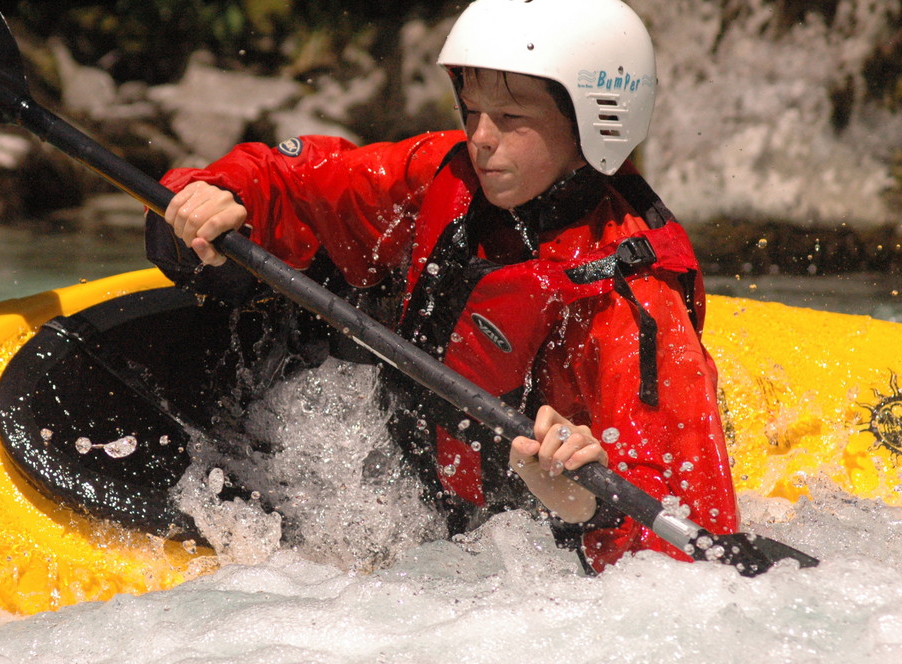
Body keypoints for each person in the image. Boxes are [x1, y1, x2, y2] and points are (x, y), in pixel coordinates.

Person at [145, 0, 739, 573]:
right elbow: (303, 181)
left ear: (595, 122)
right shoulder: (446, 176)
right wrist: (218, 192)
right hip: (408, 491)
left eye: (510, 119)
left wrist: (579, 498)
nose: (480, 137)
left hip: (526, 556)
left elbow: (687, 544)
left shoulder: (636, 307)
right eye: (470, 109)